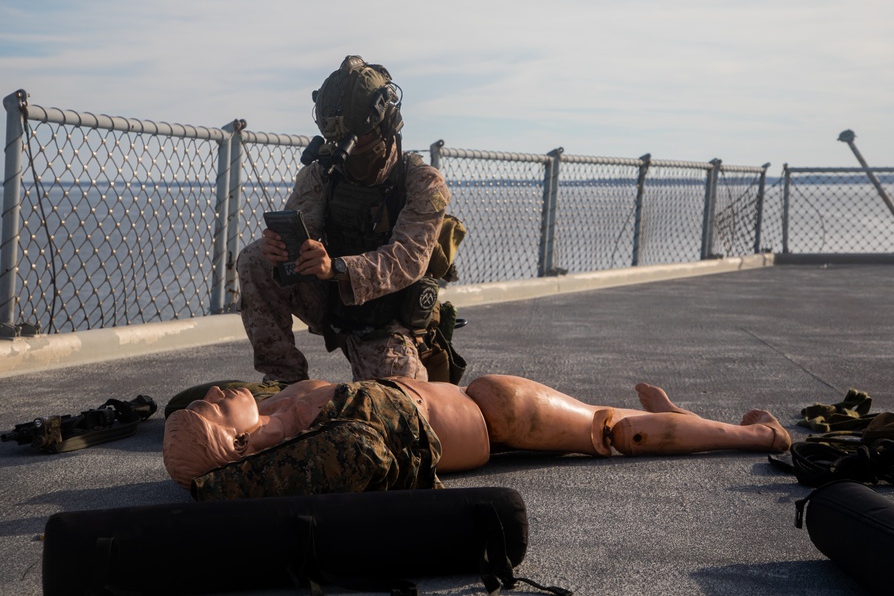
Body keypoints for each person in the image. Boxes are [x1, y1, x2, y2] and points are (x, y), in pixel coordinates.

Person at [162, 375, 792, 499]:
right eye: (217, 411)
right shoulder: (287, 442)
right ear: (236, 445)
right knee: (618, 432)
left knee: (607, 420)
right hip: (495, 415)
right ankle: (760, 438)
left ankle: (682, 422)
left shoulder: (276, 411)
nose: (217, 396)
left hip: (469, 401)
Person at [237, 55, 451, 384]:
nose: (345, 151)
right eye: (337, 140)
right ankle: (284, 382)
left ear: (386, 124)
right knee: (255, 259)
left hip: (386, 318)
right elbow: (303, 226)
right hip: (333, 302)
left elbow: (408, 260)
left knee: (404, 406)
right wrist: (283, 248)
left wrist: (337, 267)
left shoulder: (422, 182)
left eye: (355, 138)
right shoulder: (323, 172)